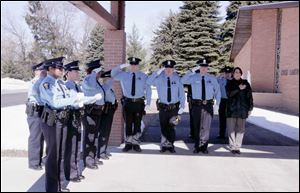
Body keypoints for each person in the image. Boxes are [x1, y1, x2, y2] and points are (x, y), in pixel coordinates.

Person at [39, 57, 85, 192]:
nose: (62, 70)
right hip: (53, 121)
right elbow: (55, 102)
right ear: (50, 69)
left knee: (62, 153)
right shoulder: (46, 84)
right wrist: (75, 98)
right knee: (54, 156)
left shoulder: (60, 83)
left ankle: (60, 185)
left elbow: (69, 99)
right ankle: (52, 188)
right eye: (60, 68)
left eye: (62, 68)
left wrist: (86, 99)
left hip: (62, 120)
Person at [64, 61, 101, 182]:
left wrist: (91, 99)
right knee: (72, 146)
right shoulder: (68, 86)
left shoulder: (76, 85)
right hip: (71, 118)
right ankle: (71, 173)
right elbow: (77, 99)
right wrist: (93, 98)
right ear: (68, 73)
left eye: (77, 71)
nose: (77, 73)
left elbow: (82, 98)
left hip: (77, 118)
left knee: (76, 145)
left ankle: (75, 171)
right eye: (75, 71)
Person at [111, 57, 151, 152]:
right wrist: (121, 66)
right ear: (130, 65)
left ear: (138, 65)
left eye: (135, 65)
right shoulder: (123, 75)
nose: (133, 67)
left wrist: (148, 102)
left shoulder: (144, 76)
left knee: (137, 124)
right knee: (128, 124)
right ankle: (128, 144)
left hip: (139, 103)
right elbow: (113, 74)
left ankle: (136, 143)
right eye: (131, 65)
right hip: (127, 102)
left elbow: (148, 90)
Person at [181, 58, 221, 154]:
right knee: (197, 126)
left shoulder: (212, 78)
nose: (203, 68)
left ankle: (204, 146)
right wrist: (191, 71)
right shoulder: (193, 77)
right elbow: (182, 81)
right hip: (196, 106)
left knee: (206, 127)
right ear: (199, 67)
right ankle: (197, 146)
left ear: (207, 68)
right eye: (201, 67)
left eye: (205, 67)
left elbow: (218, 91)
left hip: (208, 105)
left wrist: (217, 104)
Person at [147, 59, 185, 153]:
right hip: (163, 108)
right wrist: (157, 72)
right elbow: (148, 81)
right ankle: (164, 145)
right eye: (166, 68)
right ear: (164, 69)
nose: (168, 70)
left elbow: (182, 93)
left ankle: (171, 145)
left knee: (172, 127)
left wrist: (182, 106)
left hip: (174, 108)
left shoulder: (177, 79)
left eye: (170, 68)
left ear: (173, 69)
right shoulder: (159, 79)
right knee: (163, 127)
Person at [81, 59, 106, 169]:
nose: (100, 73)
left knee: (95, 135)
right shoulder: (88, 80)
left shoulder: (96, 81)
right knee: (89, 136)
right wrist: (93, 73)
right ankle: (88, 159)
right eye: (98, 71)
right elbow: (90, 86)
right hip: (89, 112)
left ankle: (93, 156)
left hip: (97, 111)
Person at [226, 67, 253, 154]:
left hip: (242, 109)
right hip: (231, 110)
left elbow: (249, 96)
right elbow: (229, 94)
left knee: (241, 129)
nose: (237, 74)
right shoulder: (229, 83)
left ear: (241, 74)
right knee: (231, 129)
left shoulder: (246, 83)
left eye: (239, 72)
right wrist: (238, 89)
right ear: (233, 74)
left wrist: (250, 108)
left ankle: (237, 146)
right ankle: (232, 146)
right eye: (235, 72)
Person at [26, 61, 47, 170]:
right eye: (41, 70)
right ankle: (34, 163)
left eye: (44, 70)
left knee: (43, 136)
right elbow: (36, 94)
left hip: (43, 109)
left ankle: (40, 160)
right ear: (36, 71)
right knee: (35, 136)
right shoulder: (34, 82)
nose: (44, 72)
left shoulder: (43, 81)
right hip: (35, 110)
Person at [97, 70, 118, 160]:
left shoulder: (109, 87)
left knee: (107, 131)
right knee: (103, 132)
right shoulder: (105, 87)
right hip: (105, 111)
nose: (111, 80)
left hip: (110, 110)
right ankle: (100, 152)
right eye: (109, 78)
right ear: (105, 79)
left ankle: (103, 150)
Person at [217, 66, 233, 139]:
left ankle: (231, 135)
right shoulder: (220, 80)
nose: (227, 74)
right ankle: (221, 134)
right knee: (222, 118)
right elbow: (213, 81)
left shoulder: (233, 81)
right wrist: (220, 75)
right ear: (223, 73)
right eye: (226, 73)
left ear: (231, 73)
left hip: (230, 102)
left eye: (229, 73)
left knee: (230, 119)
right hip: (222, 101)